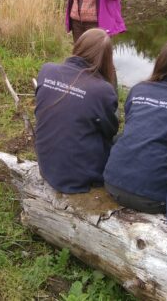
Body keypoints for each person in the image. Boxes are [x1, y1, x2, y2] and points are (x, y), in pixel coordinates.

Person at [103, 40, 167, 214]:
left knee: (127, 136)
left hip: (112, 183)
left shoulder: (139, 89)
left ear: (160, 62)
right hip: (154, 198)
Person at [34, 28, 119, 193]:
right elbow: (110, 131)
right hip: (80, 177)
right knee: (119, 141)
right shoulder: (103, 90)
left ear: (78, 47)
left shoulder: (47, 70)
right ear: (107, 59)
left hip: (46, 166)